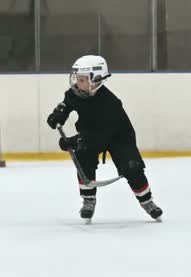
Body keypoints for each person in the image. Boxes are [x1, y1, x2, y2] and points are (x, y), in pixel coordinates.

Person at [46, 55, 163, 223]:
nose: (78, 83)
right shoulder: (74, 93)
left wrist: (74, 141)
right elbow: (66, 106)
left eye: (83, 80)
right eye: (77, 79)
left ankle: (147, 201)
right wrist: (58, 115)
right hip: (90, 133)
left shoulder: (111, 103)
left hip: (120, 137)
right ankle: (88, 200)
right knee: (83, 157)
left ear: (96, 79)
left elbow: (99, 136)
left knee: (132, 167)